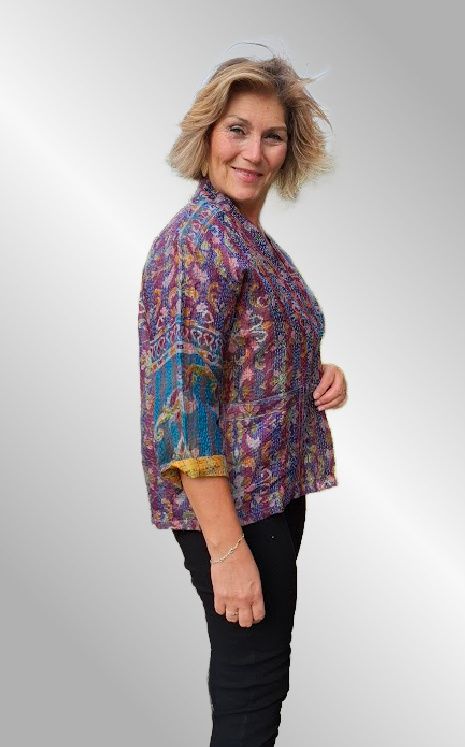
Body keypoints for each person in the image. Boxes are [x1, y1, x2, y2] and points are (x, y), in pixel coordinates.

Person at [138, 53, 348, 746]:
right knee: (251, 691)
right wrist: (227, 551)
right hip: (234, 509)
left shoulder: (245, 237)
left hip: (272, 496)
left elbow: (251, 353)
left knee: (262, 682)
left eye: (272, 136)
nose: (253, 152)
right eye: (237, 129)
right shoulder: (197, 244)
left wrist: (323, 373)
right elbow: (182, 407)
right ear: (207, 135)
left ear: (291, 150)